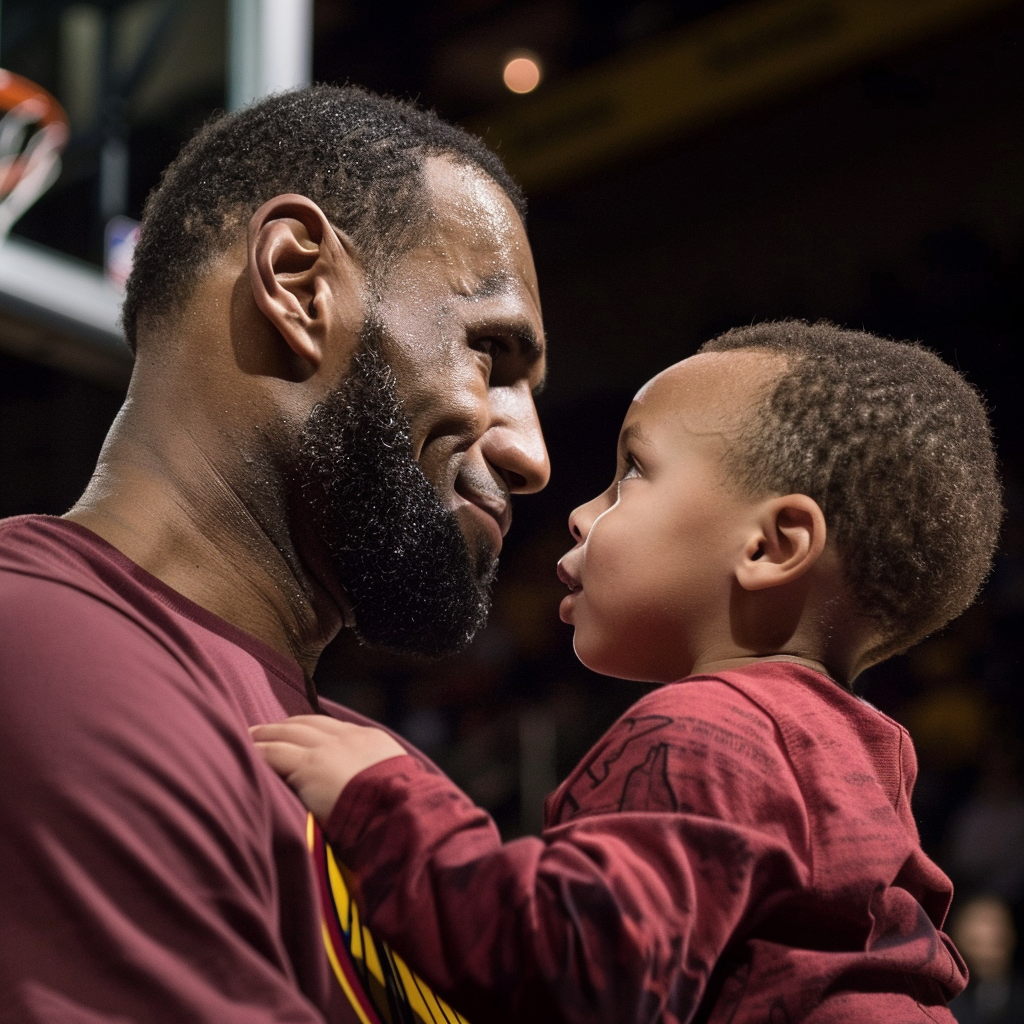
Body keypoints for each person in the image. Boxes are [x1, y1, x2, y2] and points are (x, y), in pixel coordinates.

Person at [253, 320, 1003, 1024]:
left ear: (773, 547)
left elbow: (572, 966)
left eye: (630, 473)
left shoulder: (709, 731)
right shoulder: (859, 760)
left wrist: (383, 799)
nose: (580, 513)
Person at [0, 86, 549, 1023]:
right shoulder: (44, 650)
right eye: (491, 357)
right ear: (297, 283)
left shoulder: (378, 778)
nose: (531, 456)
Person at [948, 895, 1024, 1024]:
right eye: (980, 922)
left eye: (996, 922)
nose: (989, 932)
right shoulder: (941, 999)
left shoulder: (1019, 997)